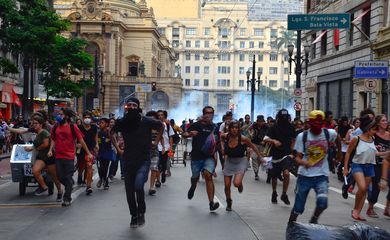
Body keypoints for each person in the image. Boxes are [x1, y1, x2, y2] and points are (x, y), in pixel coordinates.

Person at [114, 97, 163, 228]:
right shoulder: (122, 122)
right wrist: (118, 149)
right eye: (128, 105)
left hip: (143, 160)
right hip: (128, 160)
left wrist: (156, 142)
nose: (131, 107)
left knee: (138, 186)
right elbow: (110, 132)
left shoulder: (147, 121)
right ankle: (133, 216)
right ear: (125, 107)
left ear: (138, 107)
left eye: (133, 105)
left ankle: (141, 211)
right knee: (129, 192)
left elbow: (161, 126)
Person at [288, 110, 338, 224]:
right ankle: (291, 224)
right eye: (315, 122)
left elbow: (337, 138)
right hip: (304, 176)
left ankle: (314, 219)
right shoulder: (302, 136)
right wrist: (305, 163)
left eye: (320, 122)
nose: (317, 125)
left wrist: (339, 153)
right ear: (309, 122)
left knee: (323, 202)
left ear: (323, 123)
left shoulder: (329, 134)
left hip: (321, 176)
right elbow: (297, 158)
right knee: (298, 208)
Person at [48, 108, 93, 207]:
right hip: (58, 155)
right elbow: (53, 139)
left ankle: (67, 198)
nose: (59, 116)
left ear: (67, 116)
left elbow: (81, 140)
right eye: (59, 114)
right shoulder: (55, 126)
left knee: (67, 177)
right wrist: (50, 150)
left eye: (61, 114)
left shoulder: (73, 127)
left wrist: (88, 152)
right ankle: (69, 184)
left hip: (69, 156)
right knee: (60, 176)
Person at [182, 106, 220, 211]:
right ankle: (193, 186)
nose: (209, 115)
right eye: (207, 113)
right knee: (195, 177)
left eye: (211, 113)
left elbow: (217, 143)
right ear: (204, 114)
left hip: (209, 157)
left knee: (208, 176)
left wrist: (217, 156)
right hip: (196, 156)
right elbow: (183, 134)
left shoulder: (214, 127)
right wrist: (190, 133)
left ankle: (211, 203)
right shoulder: (196, 125)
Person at [221, 121, 263, 211]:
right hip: (229, 161)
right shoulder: (226, 136)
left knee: (236, 183)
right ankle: (229, 201)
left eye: (236, 128)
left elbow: (253, 146)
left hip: (240, 161)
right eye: (232, 127)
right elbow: (220, 137)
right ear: (230, 128)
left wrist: (260, 157)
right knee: (227, 185)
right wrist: (222, 147)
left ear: (239, 129)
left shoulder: (243, 138)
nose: (234, 129)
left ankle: (239, 184)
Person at [343, 114, 377, 221]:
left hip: (370, 166)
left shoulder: (373, 138)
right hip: (358, 165)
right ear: (367, 129)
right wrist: (345, 168)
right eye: (373, 129)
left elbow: (373, 152)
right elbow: (348, 153)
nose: (375, 131)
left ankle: (357, 212)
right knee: (362, 187)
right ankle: (355, 210)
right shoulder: (356, 139)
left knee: (364, 190)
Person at [24, 115, 62, 202]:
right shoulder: (36, 133)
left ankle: (60, 191)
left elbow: (45, 144)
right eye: (33, 123)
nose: (34, 125)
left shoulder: (44, 132)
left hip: (49, 157)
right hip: (41, 157)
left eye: (36, 123)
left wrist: (35, 148)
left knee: (54, 176)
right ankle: (44, 186)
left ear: (41, 124)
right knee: (35, 170)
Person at [264, 109, 296, 205]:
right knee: (273, 177)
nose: (285, 119)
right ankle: (274, 192)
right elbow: (265, 139)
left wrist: (292, 150)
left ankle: (284, 194)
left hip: (286, 154)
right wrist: (274, 141)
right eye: (283, 117)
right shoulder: (273, 127)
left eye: (286, 117)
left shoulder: (291, 127)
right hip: (274, 155)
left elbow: (294, 139)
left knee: (286, 173)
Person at [366, 114, 390, 217]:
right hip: (375, 164)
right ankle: (370, 208)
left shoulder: (389, 135)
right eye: (383, 121)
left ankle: (387, 208)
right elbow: (372, 152)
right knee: (377, 187)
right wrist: (387, 153)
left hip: (387, 164)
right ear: (378, 123)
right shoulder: (373, 135)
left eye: (386, 121)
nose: (386, 122)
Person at [77, 111, 98, 195]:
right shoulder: (79, 127)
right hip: (81, 150)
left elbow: (96, 137)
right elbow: (75, 138)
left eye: (89, 117)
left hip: (90, 150)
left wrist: (96, 144)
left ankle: (88, 186)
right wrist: (76, 144)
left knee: (89, 166)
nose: (87, 119)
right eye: (85, 117)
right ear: (82, 119)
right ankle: (80, 176)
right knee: (81, 166)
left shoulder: (94, 127)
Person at [145, 111, 163, 195]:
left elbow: (160, 137)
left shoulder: (159, 128)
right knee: (144, 171)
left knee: (154, 168)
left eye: (153, 118)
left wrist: (157, 143)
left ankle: (152, 186)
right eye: (150, 118)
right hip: (144, 152)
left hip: (154, 152)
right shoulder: (142, 127)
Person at [247, 115, 268, 180]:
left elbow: (269, 134)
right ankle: (256, 173)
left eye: (261, 121)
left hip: (263, 145)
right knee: (254, 157)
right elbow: (249, 129)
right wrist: (250, 134)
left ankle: (268, 172)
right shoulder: (254, 125)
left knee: (261, 158)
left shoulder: (266, 126)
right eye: (259, 121)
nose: (260, 123)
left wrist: (265, 141)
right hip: (254, 144)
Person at [97, 118, 116, 190]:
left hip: (108, 152)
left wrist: (118, 149)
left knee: (106, 168)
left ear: (106, 124)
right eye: (100, 123)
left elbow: (114, 141)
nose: (100, 124)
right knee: (100, 168)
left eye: (102, 123)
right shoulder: (98, 132)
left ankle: (105, 182)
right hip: (100, 152)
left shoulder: (109, 132)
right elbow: (96, 142)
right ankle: (101, 179)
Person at [157, 110, 174, 184]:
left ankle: (163, 173)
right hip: (157, 146)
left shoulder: (167, 125)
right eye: (159, 115)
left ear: (164, 116)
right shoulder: (154, 125)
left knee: (164, 163)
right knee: (157, 163)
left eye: (162, 115)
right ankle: (157, 179)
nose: (160, 116)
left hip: (166, 147)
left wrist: (170, 147)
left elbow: (170, 136)